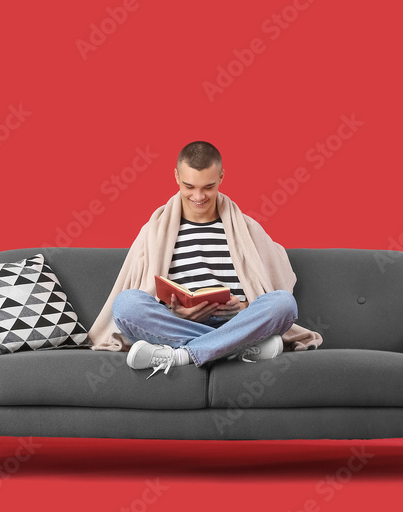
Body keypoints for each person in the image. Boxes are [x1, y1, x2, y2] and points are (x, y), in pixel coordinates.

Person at [84, 141, 323, 378]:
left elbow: (280, 283)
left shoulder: (247, 228)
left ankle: (182, 355)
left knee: (283, 304)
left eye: (208, 187)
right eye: (189, 186)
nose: (198, 196)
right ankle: (232, 350)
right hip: (176, 324)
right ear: (176, 176)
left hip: (238, 323)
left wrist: (243, 307)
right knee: (126, 304)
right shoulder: (154, 229)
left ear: (221, 177)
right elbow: (140, 293)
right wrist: (174, 311)